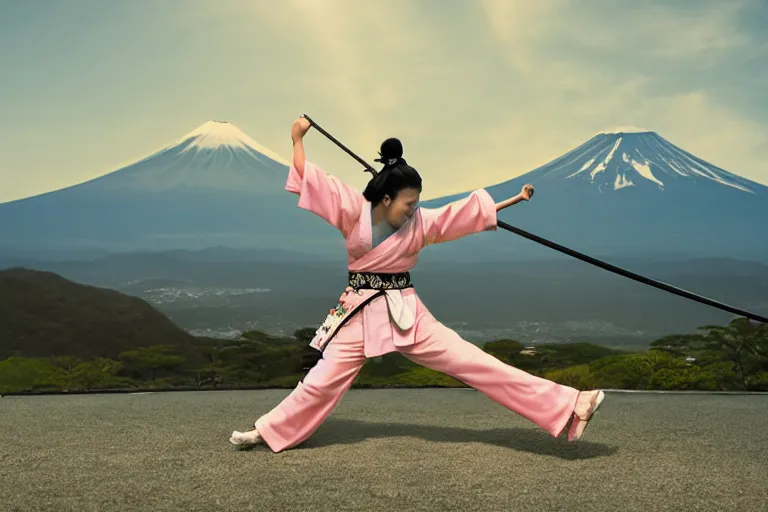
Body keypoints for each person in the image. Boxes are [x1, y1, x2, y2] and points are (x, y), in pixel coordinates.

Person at [229, 117, 605, 452]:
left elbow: (461, 213)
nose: (413, 210)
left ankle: (573, 404)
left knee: (475, 362)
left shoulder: (421, 224)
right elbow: (310, 176)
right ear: (386, 198)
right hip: (358, 312)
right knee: (321, 380)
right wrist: (297, 138)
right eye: (408, 204)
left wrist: (514, 200)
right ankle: (269, 431)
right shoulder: (351, 207)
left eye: (416, 204)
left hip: (406, 314)